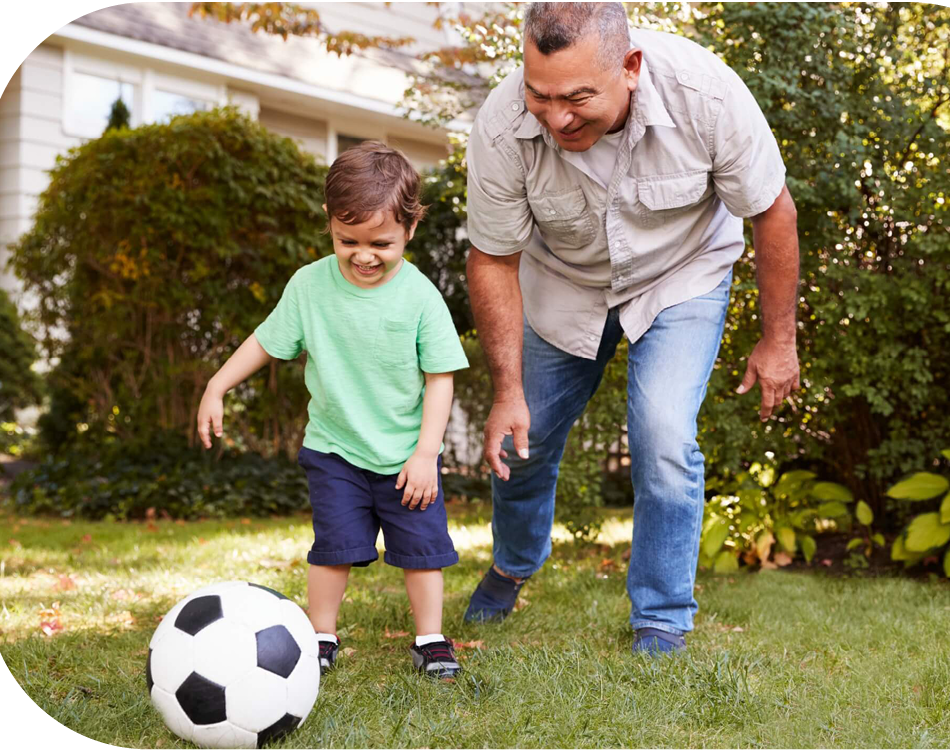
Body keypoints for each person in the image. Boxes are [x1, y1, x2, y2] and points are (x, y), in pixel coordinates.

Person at [463, 3, 800, 654]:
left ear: (631, 67)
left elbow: (770, 211)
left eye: (577, 98)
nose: (557, 117)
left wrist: (777, 340)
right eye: (540, 95)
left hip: (682, 275)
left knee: (664, 437)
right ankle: (511, 565)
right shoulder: (501, 126)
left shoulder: (706, 93)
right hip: (562, 284)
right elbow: (492, 259)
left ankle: (661, 619)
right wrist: (506, 388)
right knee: (518, 445)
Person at [196, 141, 470, 679]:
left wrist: (425, 453)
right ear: (329, 223)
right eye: (349, 241)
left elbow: (440, 379)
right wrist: (216, 384)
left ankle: (431, 639)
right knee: (332, 548)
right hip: (334, 449)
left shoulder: (419, 296)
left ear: (410, 230)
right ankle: (320, 637)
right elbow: (266, 341)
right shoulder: (309, 285)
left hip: (406, 456)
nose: (363, 255)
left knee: (423, 550)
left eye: (381, 243)